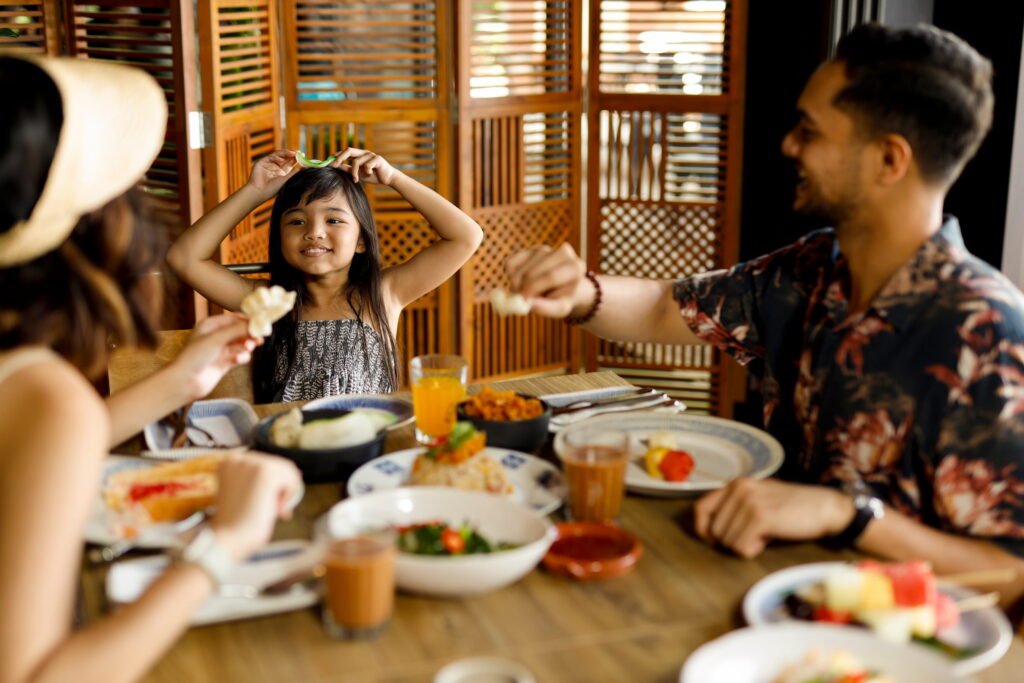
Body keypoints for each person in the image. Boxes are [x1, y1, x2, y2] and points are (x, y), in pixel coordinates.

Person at [505, 24, 1024, 608]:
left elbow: (1012, 574)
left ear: (888, 159)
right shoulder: (811, 269)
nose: (789, 146)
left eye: (810, 131)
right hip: (763, 596)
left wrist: (850, 515)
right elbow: (661, 309)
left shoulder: (986, 330)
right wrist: (579, 292)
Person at [0, 55, 302, 683]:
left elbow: (27, 447)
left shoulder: (32, 390)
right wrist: (225, 542)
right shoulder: (47, 396)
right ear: (93, 221)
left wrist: (180, 383)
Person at [167, 147, 483, 403]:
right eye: (296, 222)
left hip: (368, 447)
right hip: (288, 449)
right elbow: (184, 258)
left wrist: (394, 178)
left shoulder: (384, 293)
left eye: (333, 220)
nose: (314, 232)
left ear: (361, 241)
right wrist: (255, 191)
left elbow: (466, 237)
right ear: (279, 239)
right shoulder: (266, 302)